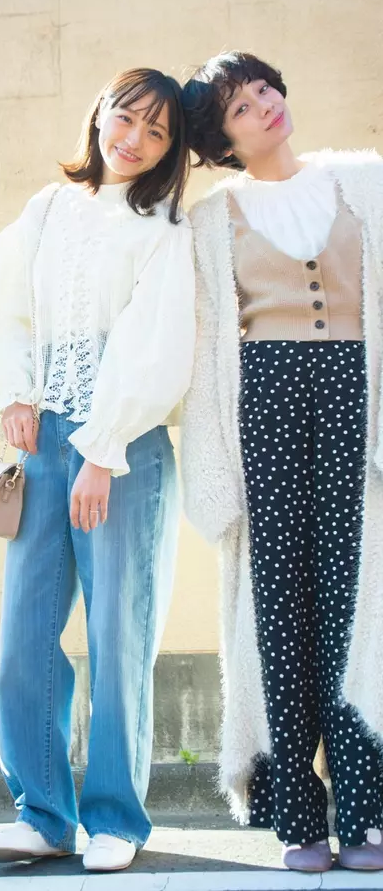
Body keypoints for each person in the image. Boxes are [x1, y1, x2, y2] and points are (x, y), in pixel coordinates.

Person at [0, 67, 196, 872]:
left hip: (122, 449)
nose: (134, 139)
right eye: (126, 117)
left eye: (156, 132)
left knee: (117, 634)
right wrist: (13, 393)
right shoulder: (47, 207)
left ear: (170, 150)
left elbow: (155, 344)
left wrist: (103, 448)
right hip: (42, 442)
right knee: (26, 632)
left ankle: (115, 820)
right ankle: (42, 815)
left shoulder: (164, 228)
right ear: (100, 113)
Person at [180, 50, 383, 873]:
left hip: (354, 396)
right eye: (240, 105)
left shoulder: (363, 184)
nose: (265, 104)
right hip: (262, 404)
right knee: (278, 603)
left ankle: (365, 813)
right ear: (222, 142)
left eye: (265, 88)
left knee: (356, 601)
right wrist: (212, 466)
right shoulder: (210, 219)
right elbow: (205, 348)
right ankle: (298, 816)